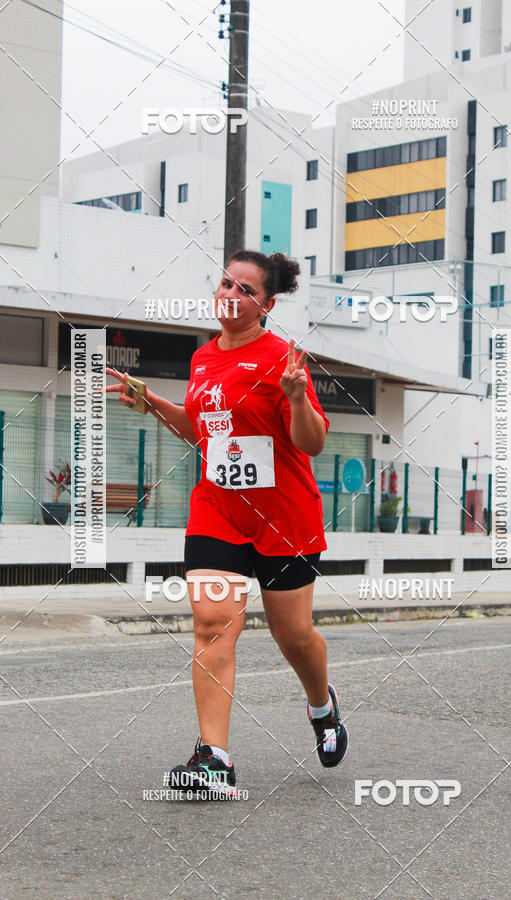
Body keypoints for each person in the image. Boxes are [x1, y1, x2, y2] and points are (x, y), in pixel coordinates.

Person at [106, 250, 348, 798]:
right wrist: (152, 404)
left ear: (266, 306)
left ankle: (322, 707)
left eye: (246, 290)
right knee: (212, 622)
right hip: (217, 510)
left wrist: (296, 399)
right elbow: (202, 432)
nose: (231, 295)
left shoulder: (282, 359)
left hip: (283, 519)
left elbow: (311, 442)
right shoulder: (202, 359)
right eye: (225, 283)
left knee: (294, 636)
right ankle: (214, 759)